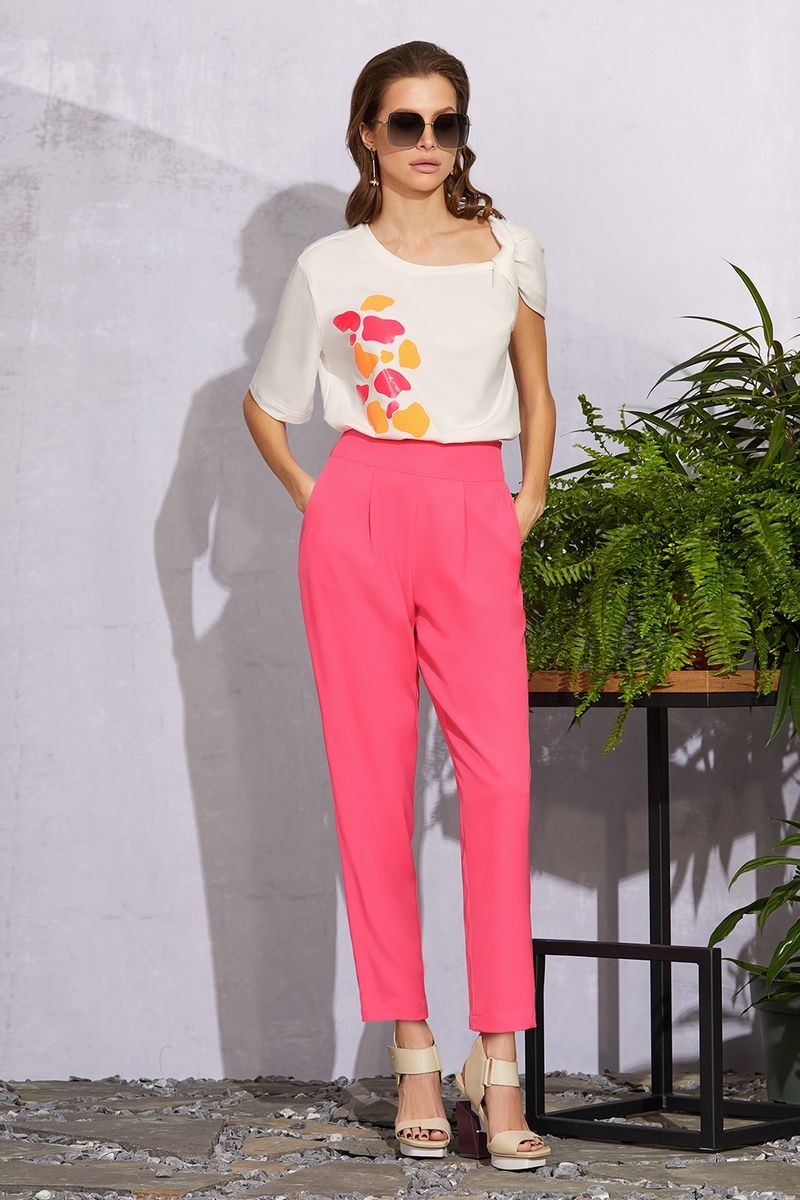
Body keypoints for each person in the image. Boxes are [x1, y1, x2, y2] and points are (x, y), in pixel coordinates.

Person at [242, 39, 556, 1173]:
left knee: (500, 783)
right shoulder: (328, 266)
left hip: (472, 506)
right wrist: (317, 497)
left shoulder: (508, 249)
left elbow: (535, 391)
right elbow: (269, 403)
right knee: (371, 785)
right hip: (362, 512)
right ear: (367, 135)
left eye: (445, 122)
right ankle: (414, 1053)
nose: (428, 143)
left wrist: (523, 501)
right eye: (406, 123)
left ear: (461, 134)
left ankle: (499, 1058)